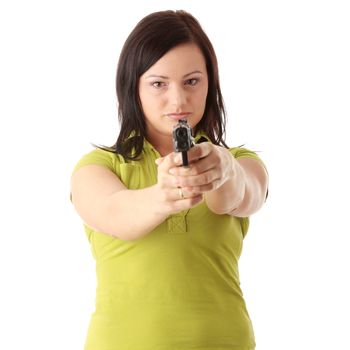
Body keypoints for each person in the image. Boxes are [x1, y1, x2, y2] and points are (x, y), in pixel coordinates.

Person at [70, 9, 268, 350]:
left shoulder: (242, 162)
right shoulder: (96, 168)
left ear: (210, 83)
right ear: (133, 87)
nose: (178, 100)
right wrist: (163, 195)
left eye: (192, 81)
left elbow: (242, 195)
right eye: (158, 83)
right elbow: (116, 214)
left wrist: (224, 170)